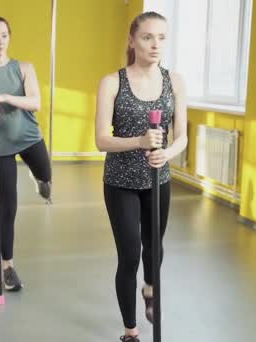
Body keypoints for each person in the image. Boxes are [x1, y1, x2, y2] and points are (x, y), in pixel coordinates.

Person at [94, 11, 188, 342]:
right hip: (120, 182)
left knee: (154, 248)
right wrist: (139, 141)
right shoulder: (112, 82)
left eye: (162, 37)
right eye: (148, 37)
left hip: (158, 181)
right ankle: (130, 331)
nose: (155, 44)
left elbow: (182, 137)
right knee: (130, 253)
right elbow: (101, 140)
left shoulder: (174, 81)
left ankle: (150, 287)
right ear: (132, 41)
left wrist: (167, 153)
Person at [0, 16, 52, 292]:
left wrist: (4, 98)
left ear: (9, 38)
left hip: (29, 138)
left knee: (47, 176)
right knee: (7, 206)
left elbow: (36, 103)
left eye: (3, 35)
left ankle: (40, 181)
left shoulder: (24, 68)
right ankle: (8, 267)